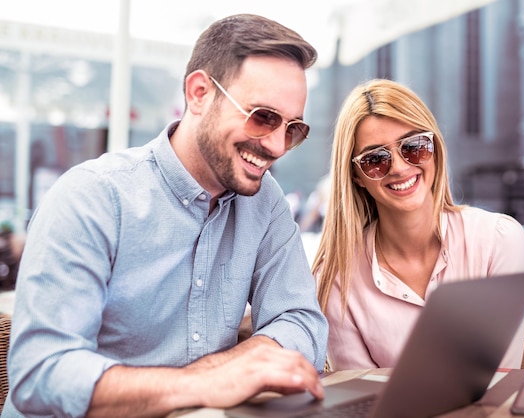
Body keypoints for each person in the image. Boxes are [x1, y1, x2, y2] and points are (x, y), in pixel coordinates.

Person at [5, 14, 328, 418]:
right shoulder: (91, 197)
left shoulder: (265, 202)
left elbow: (302, 322)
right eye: (262, 117)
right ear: (198, 93)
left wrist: (237, 367)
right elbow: (41, 374)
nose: (278, 146)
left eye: (292, 128)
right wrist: (207, 382)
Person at [312, 79, 524, 371]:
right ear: (356, 176)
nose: (400, 167)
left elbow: (501, 383)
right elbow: (361, 398)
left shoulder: (498, 240)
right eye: (375, 159)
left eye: (414, 146)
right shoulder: (336, 278)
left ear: (435, 147)